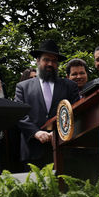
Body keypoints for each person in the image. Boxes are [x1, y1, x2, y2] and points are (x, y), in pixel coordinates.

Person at [14, 39, 80, 167]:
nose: (50, 63)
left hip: (63, 149)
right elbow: (20, 115)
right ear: (38, 60)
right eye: (46, 59)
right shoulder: (22, 87)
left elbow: (76, 112)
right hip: (32, 151)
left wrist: (60, 134)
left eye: (54, 61)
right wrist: (36, 133)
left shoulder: (70, 86)